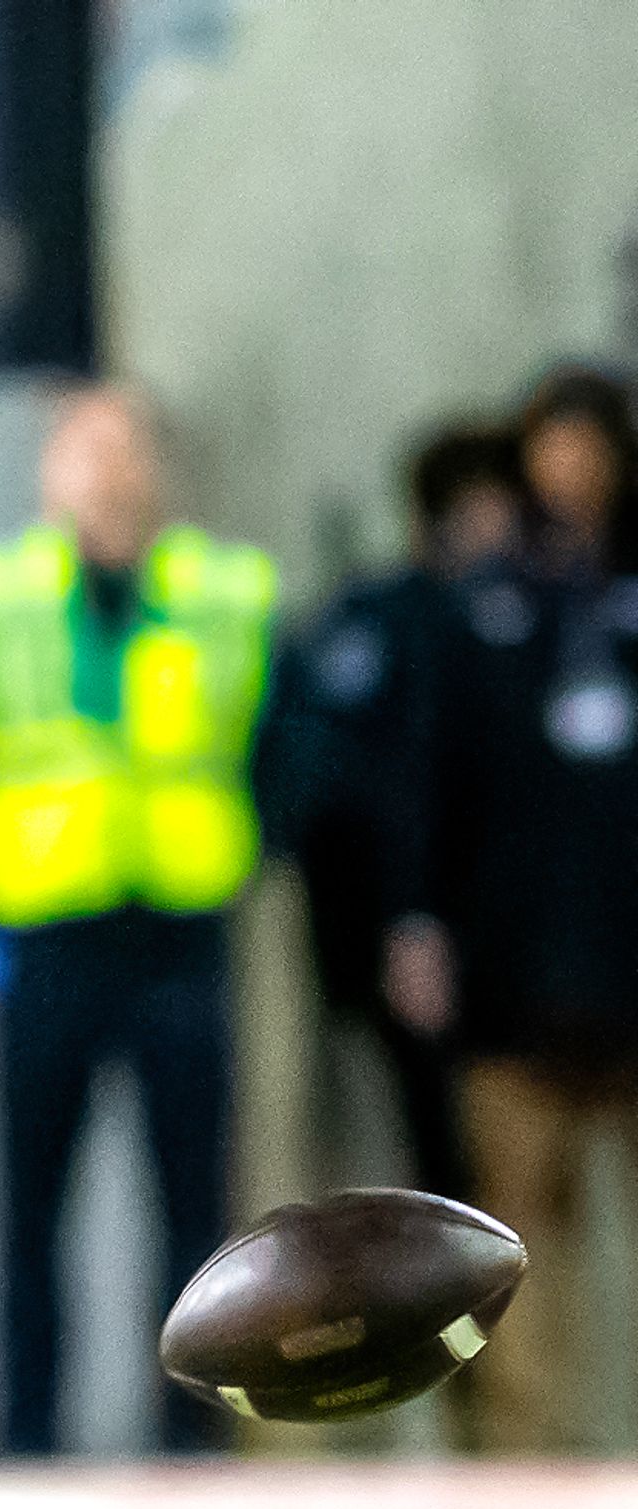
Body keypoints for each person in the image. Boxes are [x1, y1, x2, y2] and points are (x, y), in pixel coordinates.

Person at [0, 383, 276, 1456]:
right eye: (86, 452)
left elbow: (286, 744)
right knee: (29, 1207)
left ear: (161, 474)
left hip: (179, 933)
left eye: (126, 452)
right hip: (48, 934)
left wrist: (249, 844)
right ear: (49, 473)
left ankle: (195, 1436)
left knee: (195, 1213)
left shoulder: (225, 595)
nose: (109, 476)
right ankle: (27, 1437)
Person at [394, 367, 638, 1451]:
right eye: (556, 446)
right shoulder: (480, 611)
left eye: (593, 446)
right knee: (517, 1245)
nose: (573, 470)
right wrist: (417, 921)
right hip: (514, 984)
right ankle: (526, 1473)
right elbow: (430, 781)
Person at [257, 423, 517, 1203]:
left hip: (517, 958)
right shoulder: (385, 620)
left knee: (486, 1191)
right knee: (431, 1184)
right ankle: (449, 1332)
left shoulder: (528, 618)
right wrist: (401, 924)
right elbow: (340, 782)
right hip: (392, 946)